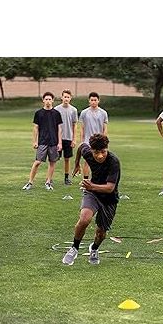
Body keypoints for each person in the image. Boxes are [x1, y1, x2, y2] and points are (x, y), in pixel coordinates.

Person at [62, 134, 120, 266]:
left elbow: (110, 188)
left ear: (107, 148)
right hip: (92, 193)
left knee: (101, 233)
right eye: (96, 152)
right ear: (92, 150)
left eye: (103, 152)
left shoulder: (113, 162)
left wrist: (90, 185)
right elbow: (81, 146)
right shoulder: (87, 152)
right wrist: (76, 164)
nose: (100, 156)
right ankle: (74, 248)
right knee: (84, 219)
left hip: (109, 198)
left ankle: (94, 248)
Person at [22, 92, 62, 191]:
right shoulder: (38, 113)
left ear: (53, 100)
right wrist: (34, 141)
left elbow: (59, 129)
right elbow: (36, 128)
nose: (48, 101)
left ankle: (48, 182)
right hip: (42, 142)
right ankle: (30, 182)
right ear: (43, 100)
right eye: (46, 99)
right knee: (37, 162)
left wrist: (59, 142)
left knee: (52, 162)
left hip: (53, 142)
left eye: (50, 99)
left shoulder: (56, 113)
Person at [79, 92, 108, 180]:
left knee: (100, 161)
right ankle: (85, 180)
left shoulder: (103, 113)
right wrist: (82, 141)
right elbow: (82, 128)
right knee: (87, 161)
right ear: (89, 101)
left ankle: (98, 180)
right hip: (88, 141)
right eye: (92, 100)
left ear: (98, 101)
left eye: (95, 100)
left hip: (99, 142)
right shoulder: (84, 113)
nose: (93, 102)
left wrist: (104, 141)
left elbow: (105, 128)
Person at [54, 89, 78, 185]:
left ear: (70, 98)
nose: (66, 99)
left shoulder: (73, 110)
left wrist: (74, 139)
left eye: (68, 97)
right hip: (58, 139)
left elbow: (74, 125)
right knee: (54, 158)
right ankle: (50, 178)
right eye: (65, 97)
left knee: (67, 159)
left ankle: (66, 178)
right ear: (61, 98)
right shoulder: (56, 109)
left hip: (68, 138)